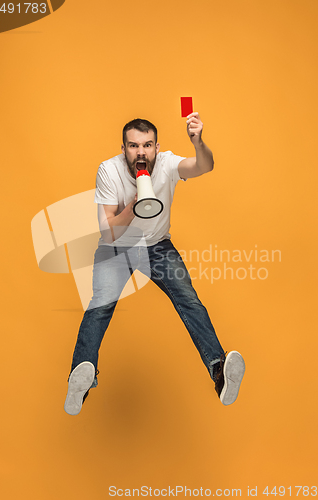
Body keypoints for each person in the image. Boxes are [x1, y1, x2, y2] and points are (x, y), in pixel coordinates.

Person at [64, 112, 245, 415]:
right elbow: (107, 230)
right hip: (116, 248)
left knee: (189, 300)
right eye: (133, 146)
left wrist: (198, 141)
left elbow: (205, 165)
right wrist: (136, 205)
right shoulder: (108, 171)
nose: (141, 152)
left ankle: (218, 371)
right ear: (123, 149)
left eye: (147, 145)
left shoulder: (168, 163)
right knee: (99, 307)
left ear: (157, 148)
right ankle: (80, 381)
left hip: (157, 247)